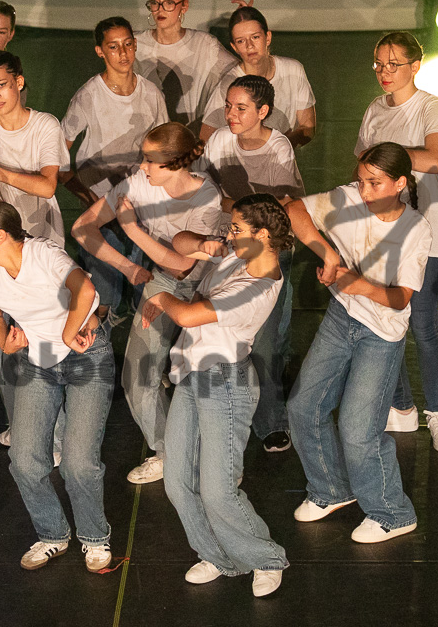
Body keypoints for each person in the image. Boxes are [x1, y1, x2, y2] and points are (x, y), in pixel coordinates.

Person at [285, 142, 431, 543]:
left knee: (357, 429)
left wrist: (356, 283)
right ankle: (330, 489)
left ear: (400, 184)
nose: (363, 191)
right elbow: (294, 209)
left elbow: (400, 299)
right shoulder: (348, 198)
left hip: (381, 333)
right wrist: (327, 253)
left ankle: (393, 513)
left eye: (374, 183)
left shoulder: (415, 230)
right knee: (302, 407)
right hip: (341, 317)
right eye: (361, 180)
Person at [148, 195, 290, 593]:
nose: (230, 234)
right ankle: (217, 556)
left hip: (225, 384)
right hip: (193, 376)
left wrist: (158, 295)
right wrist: (203, 243)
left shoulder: (256, 289)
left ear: (263, 235)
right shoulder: (237, 255)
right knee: (177, 482)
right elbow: (179, 242)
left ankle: (266, 558)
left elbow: (187, 315)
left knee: (218, 491)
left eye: (237, 229)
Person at [72, 122, 223, 484]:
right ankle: (169, 454)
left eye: (151, 160)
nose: (142, 166)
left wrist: (132, 230)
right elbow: (82, 227)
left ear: (176, 163)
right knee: (138, 374)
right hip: (163, 278)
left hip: (210, 285)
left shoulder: (207, 197)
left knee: (207, 378)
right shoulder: (138, 183)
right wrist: (128, 266)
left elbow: (185, 264)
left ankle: (218, 460)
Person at [0, 202, 115, 573]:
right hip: (39, 361)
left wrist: (68, 332)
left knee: (79, 463)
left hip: (87, 355)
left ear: (0, 237)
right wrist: (4, 343)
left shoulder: (43, 254)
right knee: (24, 460)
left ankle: (94, 538)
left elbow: (85, 288)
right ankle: (53, 535)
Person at [356, 31, 438, 453]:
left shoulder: (430, 106)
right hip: (383, 231)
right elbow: (363, 168)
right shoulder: (374, 109)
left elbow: (434, 159)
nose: (384, 72)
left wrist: (389, 154)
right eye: (379, 64)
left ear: (415, 66)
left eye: (393, 64)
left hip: (427, 232)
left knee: (422, 324)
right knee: (386, 322)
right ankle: (401, 405)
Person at [0, 50, 70, 426]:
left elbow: (47, 184)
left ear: (19, 82)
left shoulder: (44, 125)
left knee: (44, 338)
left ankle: (53, 429)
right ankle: (19, 423)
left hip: (40, 240)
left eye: (2, 85)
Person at [200, 74, 304, 452]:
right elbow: (205, 189)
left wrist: (231, 204)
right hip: (231, 243)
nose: (230, 114)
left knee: (267, 337)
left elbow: (272, 211)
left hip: (269, 249)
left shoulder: (278, 148)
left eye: (241, 108)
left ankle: (271, 421)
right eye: (228, 106)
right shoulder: (218, 140)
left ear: (263, 112)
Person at [61, 15, 168, 319]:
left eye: (128, 44)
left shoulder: (151, 94)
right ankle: (98, 341)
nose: (123, 53)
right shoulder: (88, 96)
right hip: (100, 203)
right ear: (100, 51)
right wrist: (87, 196)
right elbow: (58, 153)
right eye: (113, 46)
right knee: (103, 291)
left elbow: (165, 148)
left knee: (144, 287)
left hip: (141, 201)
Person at [133, 0, 238, 135]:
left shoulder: (204, 44)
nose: (160, 9)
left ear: (184, 6)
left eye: (169, 2)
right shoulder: (134, 43)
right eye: (154, 2)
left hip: (191, 139)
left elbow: (240, 74)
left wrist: (245, 23)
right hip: (145, 139)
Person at [200, 5, 317, 147]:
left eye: (255, 37)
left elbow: (308, 127)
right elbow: (205, 139)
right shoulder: (229, 84)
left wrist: (277, 148)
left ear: (267, 38)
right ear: (234, 47)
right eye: (241, 41)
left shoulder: (293, 70)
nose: (249, 46)